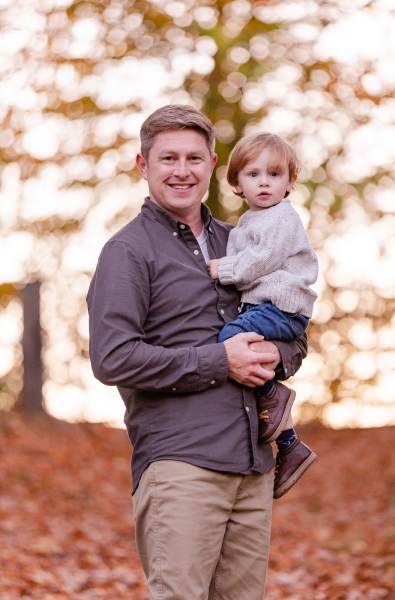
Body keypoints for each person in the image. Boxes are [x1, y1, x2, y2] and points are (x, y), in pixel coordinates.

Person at [87, 105, 308, 600]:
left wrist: (276, 353)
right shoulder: (127, 252)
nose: (181, 171)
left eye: (193, 158)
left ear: (212, 164)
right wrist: (220, 361)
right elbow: (113, 357)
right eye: (167, 158)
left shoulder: (244, 243)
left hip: (253, 467)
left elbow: (296, 329)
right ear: (143, 166)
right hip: (180, 464)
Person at [207, 132, 318, 499]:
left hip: (280, 310)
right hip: (265, 308)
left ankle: (274, 393)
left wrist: (221, 269)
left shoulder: (281, 217)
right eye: (253, 175)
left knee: (229, 343)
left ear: (289, 182)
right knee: (244, 362)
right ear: (236, 182)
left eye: (274, 174)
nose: (264, 182)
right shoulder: (248, 222)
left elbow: (262, 261)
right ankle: (290, 444)